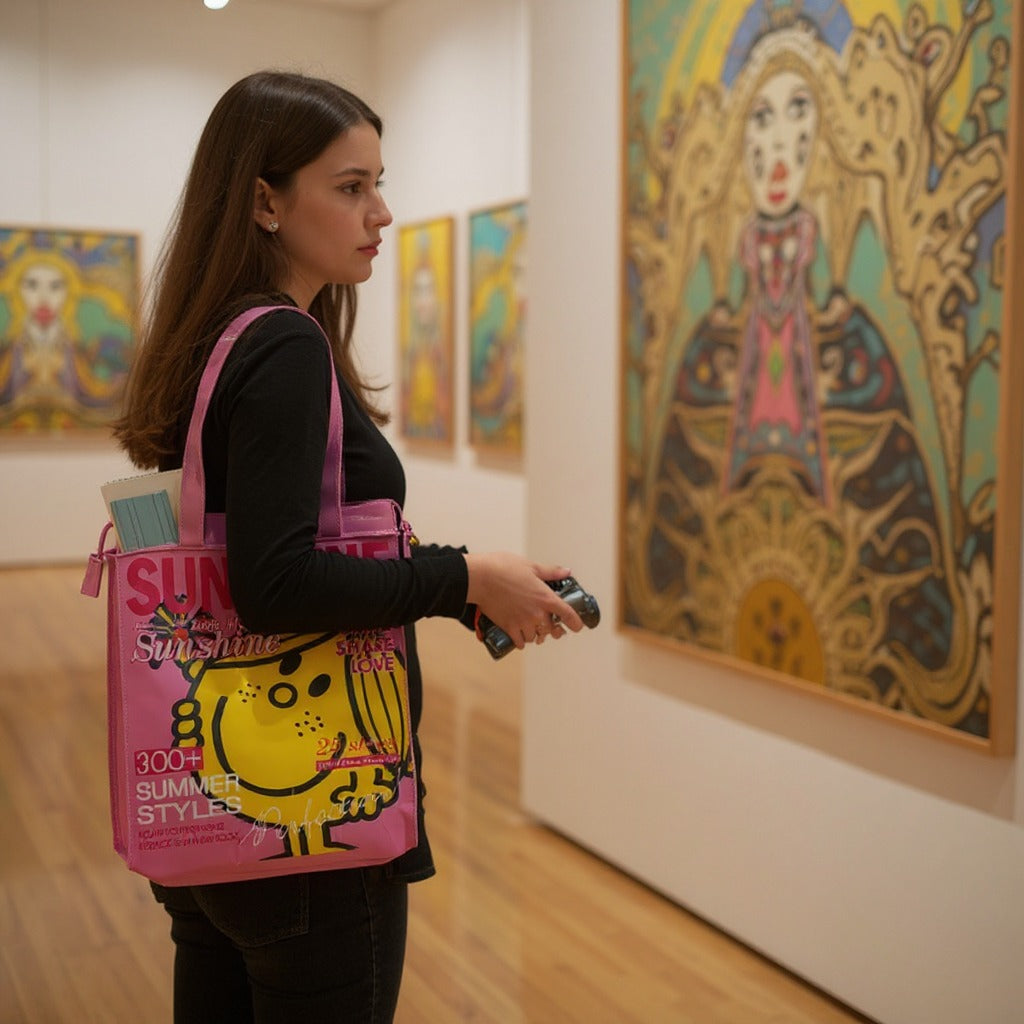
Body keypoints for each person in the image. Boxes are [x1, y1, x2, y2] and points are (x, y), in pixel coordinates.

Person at [113, 70, 583, 1024]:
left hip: (215, 810)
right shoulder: (284, 346)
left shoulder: (216, 337)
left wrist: (467, 585)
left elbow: (290, 546)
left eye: (380, 183)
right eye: (351, 186)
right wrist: (460, 576)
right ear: (265, 201)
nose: (382, 213)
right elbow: (277, 584)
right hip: (312, 820)